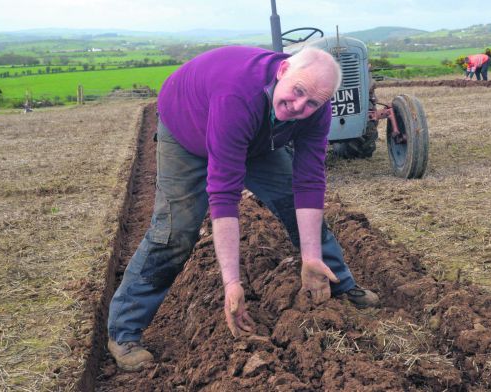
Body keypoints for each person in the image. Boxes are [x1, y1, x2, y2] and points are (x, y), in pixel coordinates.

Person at [106, 46, 380, 371]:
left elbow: (309, 183)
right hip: (187, 130)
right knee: (175, 231)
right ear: (282, 72)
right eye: (298, 92)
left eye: (312, 103)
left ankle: (338, 282)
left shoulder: (315, 108)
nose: (299, 106)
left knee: (294, 201)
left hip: (258, 138)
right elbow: (224, 195)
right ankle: (124, 331)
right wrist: (231, 283)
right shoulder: (238, 95)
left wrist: (309, 257)